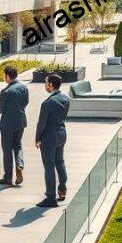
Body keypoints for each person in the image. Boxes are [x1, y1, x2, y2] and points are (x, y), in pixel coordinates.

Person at [34, 73, 71, 208]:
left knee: (49, 167)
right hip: (61, 134)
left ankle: (50, 197)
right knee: (59, 161)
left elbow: (41, 123)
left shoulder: (47, 103)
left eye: (46, 83)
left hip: (49, 137)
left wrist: (37, 138)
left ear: (50, 85)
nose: (45, 85)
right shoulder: (65, 99)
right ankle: (62, 189)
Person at [0, 65, 29, 186]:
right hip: (20, 121)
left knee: (7, 150)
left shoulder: (5, 92)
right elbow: (26, 102)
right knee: (18, 145)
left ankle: (8, 177)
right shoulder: (23, 87)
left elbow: (0, 109)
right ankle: (19, 166)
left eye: (5, 76)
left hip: (7, 124)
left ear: (8, 76)